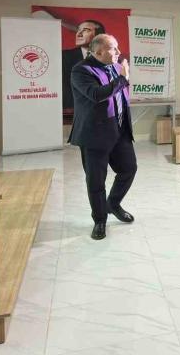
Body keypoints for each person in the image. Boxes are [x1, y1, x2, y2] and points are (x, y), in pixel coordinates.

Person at [68, 34, 136, 240]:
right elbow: (97, 94)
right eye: (113, 48)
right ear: (98, 51)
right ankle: (99, 220)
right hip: (94, 135)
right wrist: (123, 78)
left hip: (120, 130)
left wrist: (121, 77)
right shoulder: (81, 70)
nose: (118, 52)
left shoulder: (116, 67)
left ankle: (112, 204)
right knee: (96, 181)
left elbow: (121, 95)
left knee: (129, 169)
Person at [62, 19, 105, 110]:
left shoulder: (111, 58)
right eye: (78, 30)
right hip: (73, 111)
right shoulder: (63, 57)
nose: (79, 34)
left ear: (98, 37)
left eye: (85, 30)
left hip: (103, 110)